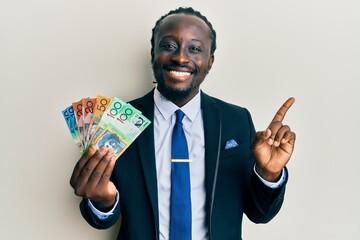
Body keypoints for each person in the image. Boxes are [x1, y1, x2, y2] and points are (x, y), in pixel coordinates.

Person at [70, 7, 296, 240]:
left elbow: (260, 213)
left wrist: (269, 174)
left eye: (195, 49)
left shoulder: (237, 120)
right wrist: (102, 201)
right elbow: (99, 219)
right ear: (152, 53)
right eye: (168, 46)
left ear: (210, 62)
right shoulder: (117, 121)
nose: (180, 57)